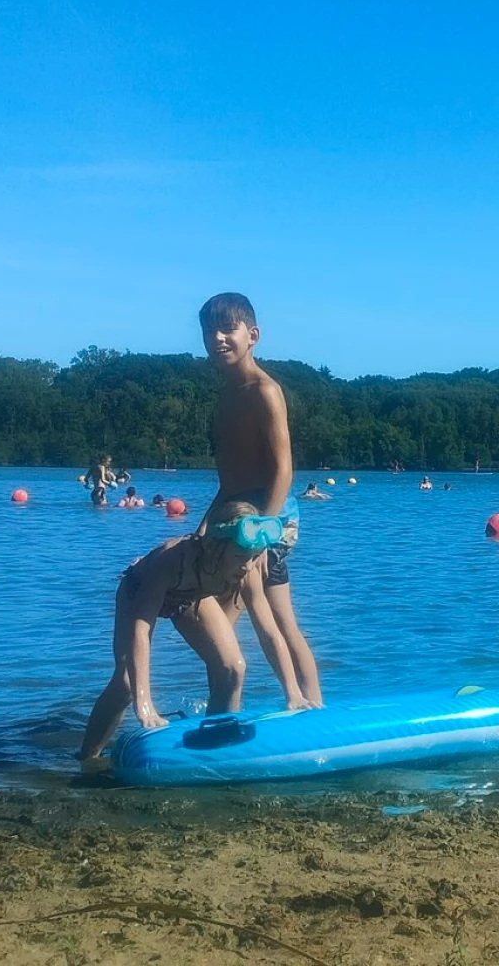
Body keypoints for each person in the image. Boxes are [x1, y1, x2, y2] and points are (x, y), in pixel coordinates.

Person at [75, 499, 271, 771]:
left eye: (252, 556)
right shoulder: (172, 559)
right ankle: (87, 758)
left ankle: (214, 746)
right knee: (126, 684)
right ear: (215, 546)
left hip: (187, 597)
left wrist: (295, 693)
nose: (247, 563)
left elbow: (269, 630)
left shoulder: (244, 562)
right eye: (242, 556)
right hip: (139, 591)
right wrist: (145, 703)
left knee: (232, 668)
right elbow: (141, 628)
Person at [197, 292, 324, 708]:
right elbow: (230, 474)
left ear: (252, 335)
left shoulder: (264, 391)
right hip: (235, 510)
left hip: (271, 515)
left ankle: (312, 704)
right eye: (208, 330)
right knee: (218, 613)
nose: (217, 338)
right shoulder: (224, 396)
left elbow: (283, 470)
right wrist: (206, 520)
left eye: (227, 329)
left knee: (275, 617)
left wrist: (263, 535)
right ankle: (221, 704)